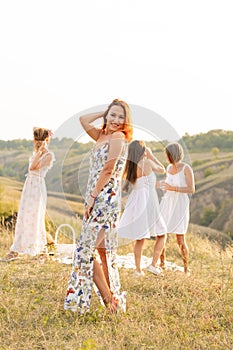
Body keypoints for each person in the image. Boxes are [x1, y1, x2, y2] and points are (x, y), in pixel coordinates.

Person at [64, 99, 133, 314]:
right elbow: (82, 120)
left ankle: (108, 300)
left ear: (126, 121)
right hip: (96, 197)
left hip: (104, 199)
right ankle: (112, 301)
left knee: (85, 251)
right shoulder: (101, 135)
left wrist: (93, 196)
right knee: (101, 252)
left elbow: (109, 169)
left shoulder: (118, 138)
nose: (116, 120)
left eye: (121, 117)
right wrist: (104, 112)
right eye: (112, 115)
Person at [2, 127, 55, 261]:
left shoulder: (48, 155)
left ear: (45, 140)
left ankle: (43, 251)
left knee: (36, 217)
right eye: (36, 139)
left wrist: (42, 150)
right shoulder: (35, 153)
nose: (36, 142)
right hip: (29, 186)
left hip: (37, 187)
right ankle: (15, 250)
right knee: (24, 216)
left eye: (39, 139)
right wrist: (38, 151)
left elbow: (33, 167)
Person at [117, 140, 167, 277]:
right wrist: (151, 155)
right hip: (149, 202)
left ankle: (138, 270)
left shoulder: (130, 167)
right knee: (162, 233)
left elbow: (128, 187)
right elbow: (162, 169)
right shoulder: (147, 162)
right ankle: (153, 265)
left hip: (137, 203)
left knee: (141, 238)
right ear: (142, 151)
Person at [159, 142, 195, 275]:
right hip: (168, 202)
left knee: (180, 238)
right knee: (162, 234)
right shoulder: (168, 168)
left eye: (167, 154)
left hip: (180, 205)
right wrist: (163, 185)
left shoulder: (186, 168)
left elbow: (191, 189)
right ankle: (162, 264)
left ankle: (186, 268)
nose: (165, 156)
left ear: (172, 154)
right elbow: (168, 186)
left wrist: (172, 188)